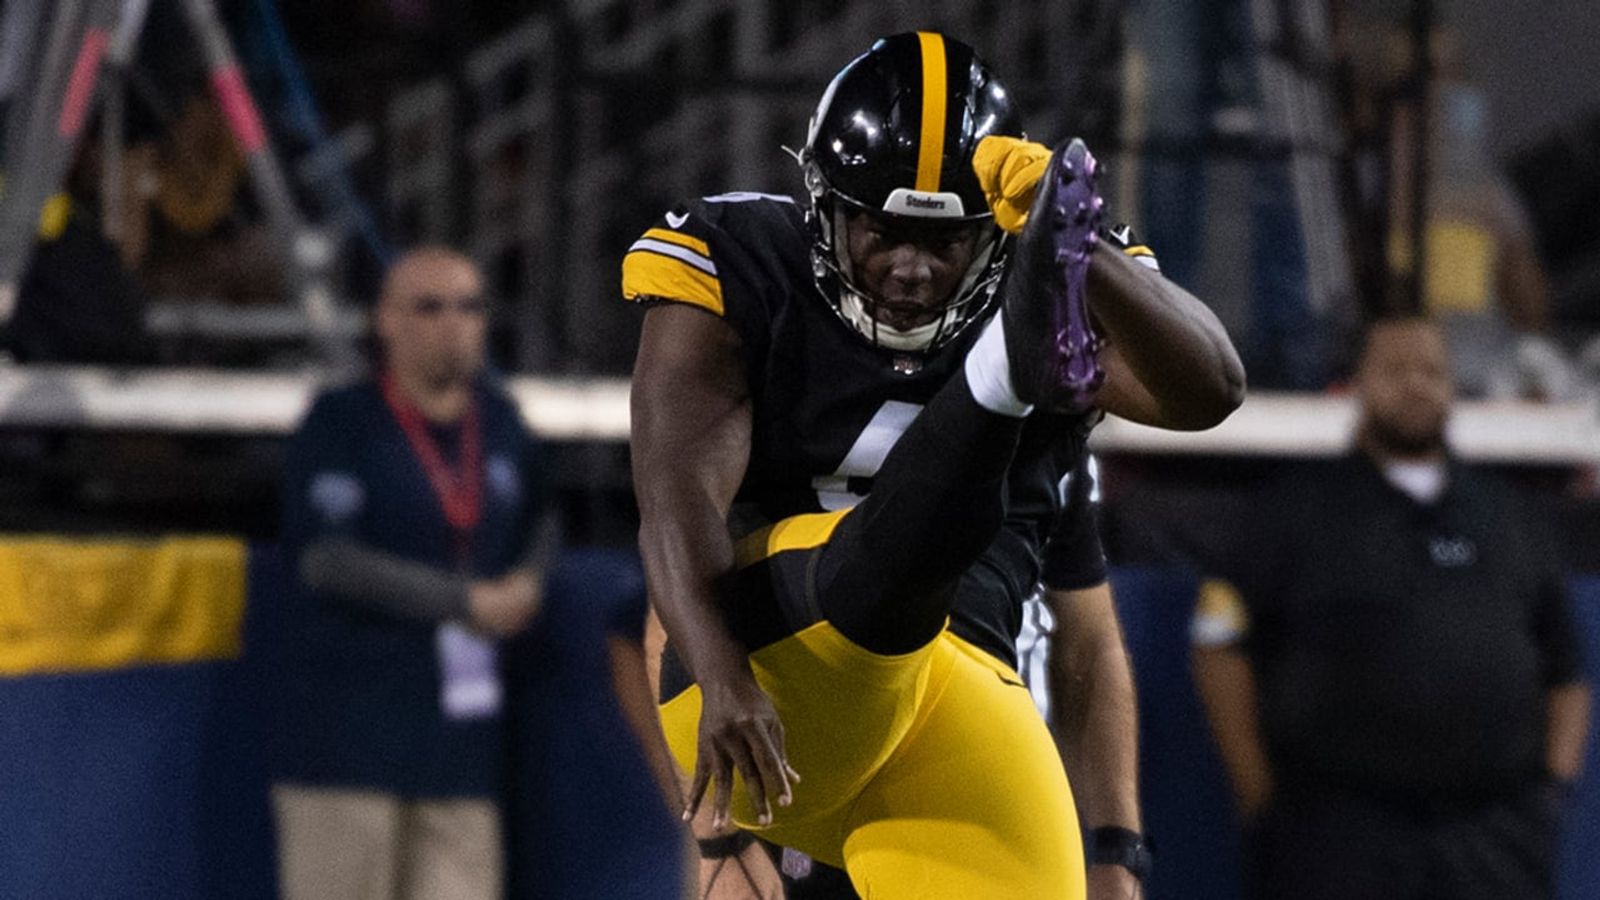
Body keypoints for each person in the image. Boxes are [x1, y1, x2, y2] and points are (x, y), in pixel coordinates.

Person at [626, 31, 1242, 898]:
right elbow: (676, 508)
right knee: (880, 579)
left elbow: (1209, 391)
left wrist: (1085, 250)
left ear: (995, 236)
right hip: (777, 689)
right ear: (825, 205)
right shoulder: (742, 269)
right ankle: (995, 388)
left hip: (964, 705)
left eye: (945, 240)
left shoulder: (1064, 276)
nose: (912, 268)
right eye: (884, 231)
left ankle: (999, 386)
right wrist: (720, 748)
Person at [1191, 315, 1592, 900]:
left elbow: (1566, 669)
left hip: (1494, 840)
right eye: (1396, 370)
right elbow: (1218, 644)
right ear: (1358, 385)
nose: (1416, 384)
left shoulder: (1509, 515)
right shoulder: (1295, 511)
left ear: (1453, 386)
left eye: (1431, 370)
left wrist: (1552, 791)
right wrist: (1259, 797)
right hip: (1337, 837)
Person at [274, 247, 552, 900]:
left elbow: (544, 519)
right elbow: (326, 559)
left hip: (462, 755)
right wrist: (462, 602)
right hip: (346, 749)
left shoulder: (502, 423)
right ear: (386, 321)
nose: (453, 322)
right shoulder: (342, 422)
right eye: (429, 307)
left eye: (470, 306)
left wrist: (529, 584)